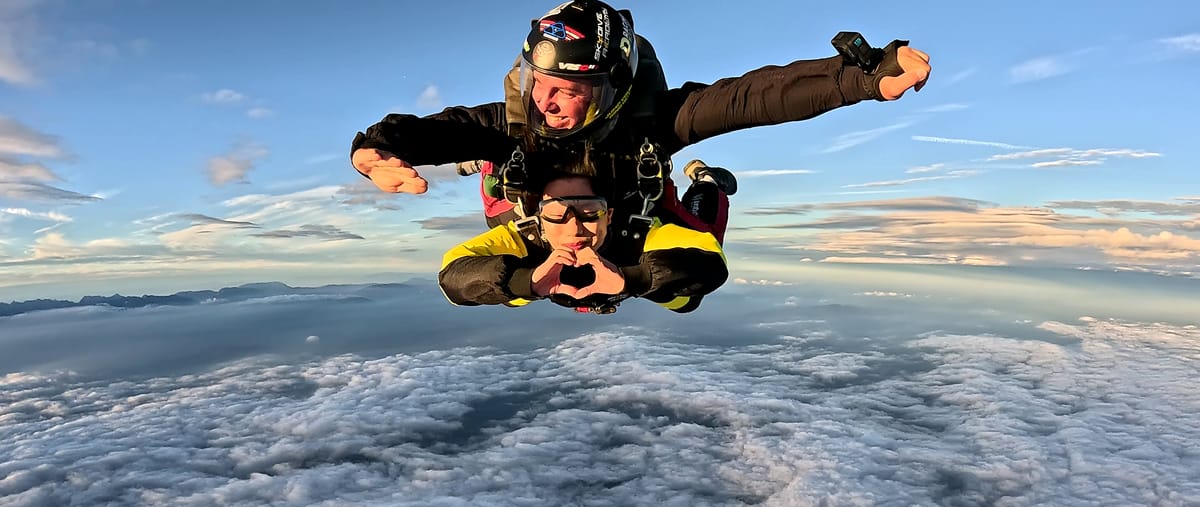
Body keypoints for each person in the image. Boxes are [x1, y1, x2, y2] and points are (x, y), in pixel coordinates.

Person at [351, 0, 930, 237]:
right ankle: (490, 167)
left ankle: (708, 181)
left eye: (566, 89)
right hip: (542, 213)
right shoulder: (515, 121)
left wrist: (862, 77)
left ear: (612, 91)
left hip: (632, 211)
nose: (544, 102)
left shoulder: (656, 123)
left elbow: (751, 97)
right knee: (501, 180)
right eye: (537, 82)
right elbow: (433, 128)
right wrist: (374, 151)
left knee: (698, 255)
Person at [438, 157, 728, 314]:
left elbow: (710, 258)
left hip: (628, 258)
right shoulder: (527, 238)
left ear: (610, 215)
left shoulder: (634, 234)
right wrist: (529, 282)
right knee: (500, 210)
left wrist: (630, 278)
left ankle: (706, 180)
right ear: (538, 217)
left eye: (589, 211)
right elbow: (452, 277)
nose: (573, 227)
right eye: (556, 213)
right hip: (555, 267)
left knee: (686, 300)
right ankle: (491, 160)